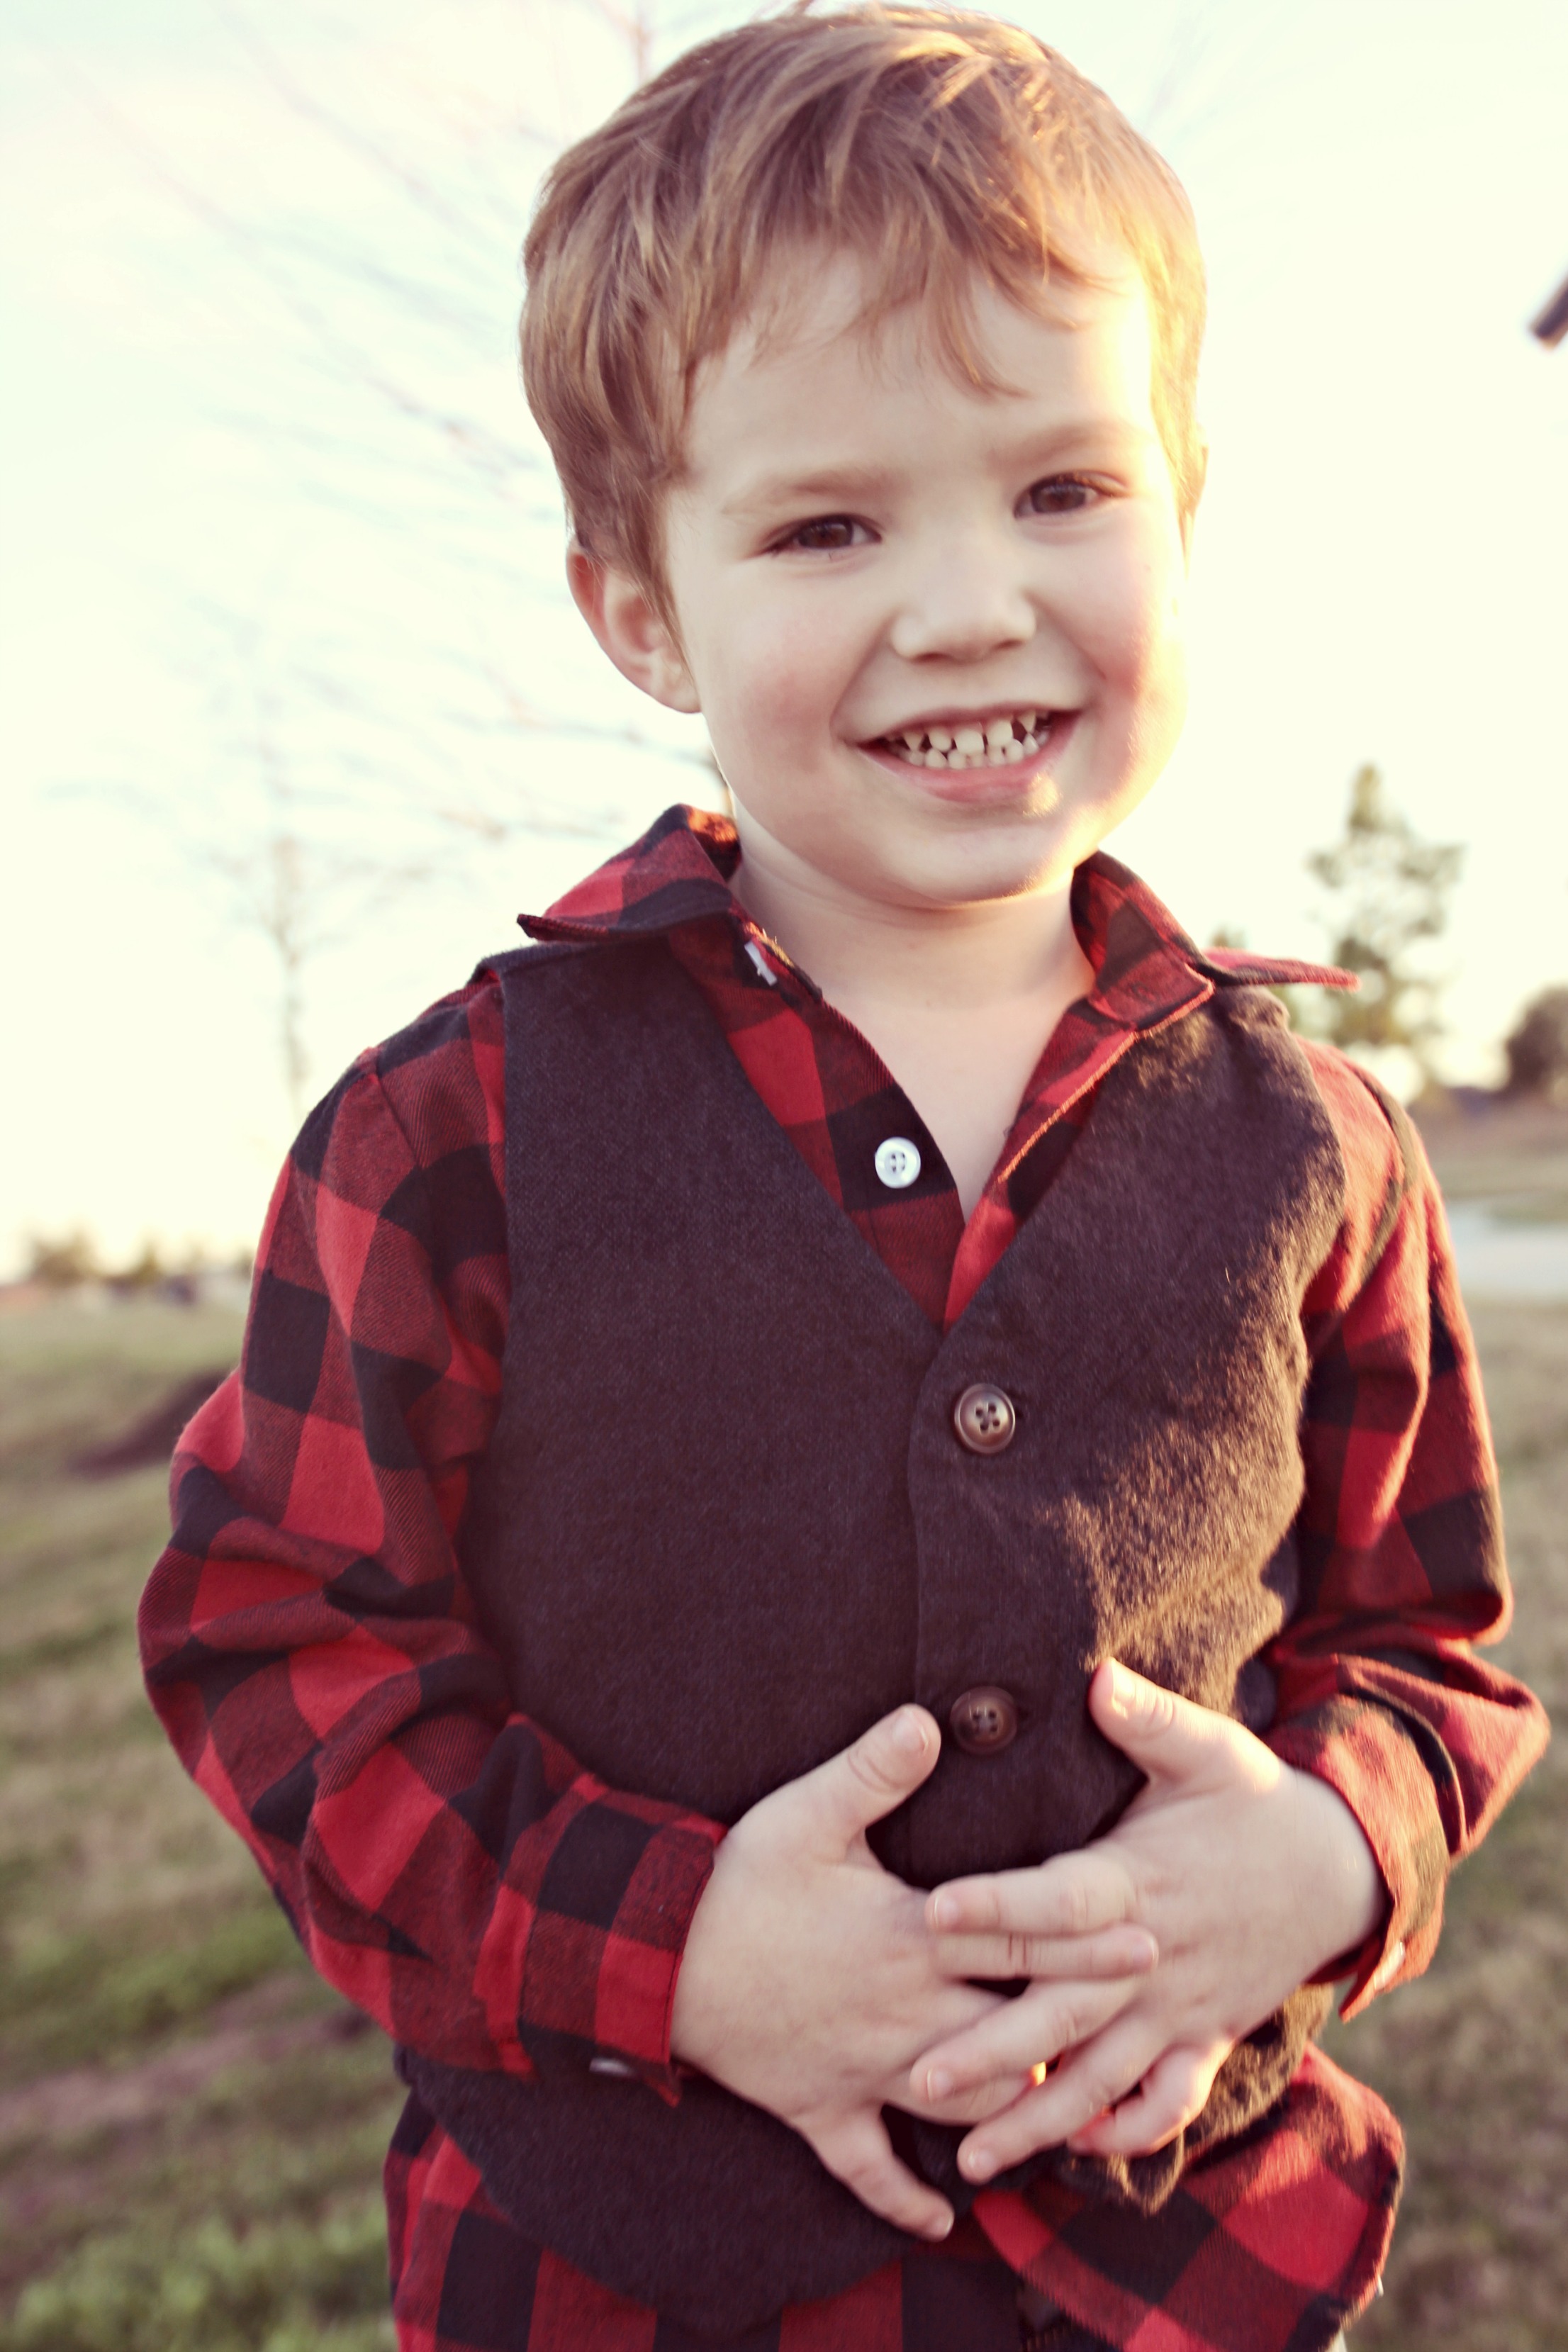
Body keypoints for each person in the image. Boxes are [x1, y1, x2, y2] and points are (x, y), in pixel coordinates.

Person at [138, 11, 1550, 2349]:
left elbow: (1424, 1652)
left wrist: (1321, 1854)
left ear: (1184, 508)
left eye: (1062, 490)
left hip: (1175, 2274)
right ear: (638, 610)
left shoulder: (1316, 1144)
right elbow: (278, 1646)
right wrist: (672, 1948)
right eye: (825, 527)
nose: (972, 602)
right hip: (620, 2287)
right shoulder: (455, 1135)